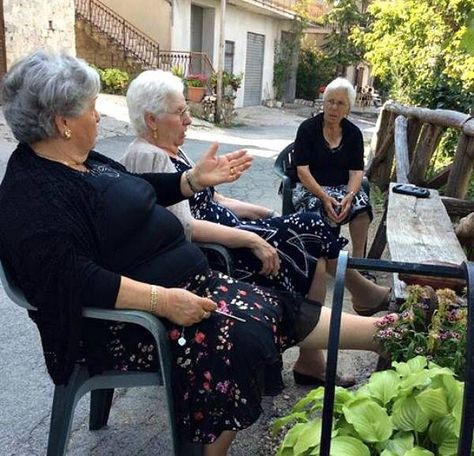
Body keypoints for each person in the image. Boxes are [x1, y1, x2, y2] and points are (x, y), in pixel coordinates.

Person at [0, 51, 390, 456]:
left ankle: (386, 334)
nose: (98, 117)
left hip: (177, 285)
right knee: (244, 333)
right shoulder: (32, 195)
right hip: (123, 325)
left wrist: (190, 180)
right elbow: (72, 278)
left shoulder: (76, 161)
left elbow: (136, 190)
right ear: (63, 122)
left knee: (272, 307)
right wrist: (164, 300)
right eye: (92, 108)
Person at [121, 69, 392, 385]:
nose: (189, 119)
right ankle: (357, 305)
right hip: (216, 255)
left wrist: (260, 212)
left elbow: (214, 199)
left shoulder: (167, 147)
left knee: (309, 236)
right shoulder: (147, 157)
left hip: (232, 235)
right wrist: (251, 238)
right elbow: (187, 228)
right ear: (152, 120)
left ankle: (314, 356)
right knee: (310, 233)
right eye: (180, 112)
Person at [292, 77, 372, 259]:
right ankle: (322, 260)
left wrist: (350, 197)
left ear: (348, 109)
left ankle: (359, 262)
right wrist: (324, 197)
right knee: (318, 207)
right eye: (330, 101)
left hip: (343, 188)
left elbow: (357, 171)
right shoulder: (307, 129)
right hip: (310, 188)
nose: (334, 108)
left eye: (340, 103)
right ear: (324, 102)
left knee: (362, 207)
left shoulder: (354, 134)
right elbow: (302, 170)